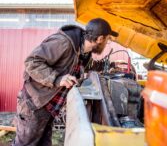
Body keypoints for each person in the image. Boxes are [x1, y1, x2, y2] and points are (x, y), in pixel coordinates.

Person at [13, 18, 118, 146]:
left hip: (48, 108)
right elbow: (32, 62)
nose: (107, 43)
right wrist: (57, 79)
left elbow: (73, 67)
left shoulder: (83, 53)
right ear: (100, 39)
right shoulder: (64, 42)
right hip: (34, 104)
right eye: (107, 40)